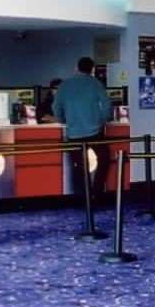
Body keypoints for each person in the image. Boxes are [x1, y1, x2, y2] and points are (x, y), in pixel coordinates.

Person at [52, 57, 113, 207]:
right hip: (95, 132)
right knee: (104, 159)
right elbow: (106, 105)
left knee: (80, 166)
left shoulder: (65, 85)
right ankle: (97, 193)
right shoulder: (95, 83)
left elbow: (56, 107)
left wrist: (63, 120)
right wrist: (102, 119)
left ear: (76, 68)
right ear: (92, 69)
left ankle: (83, 199)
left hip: (74, 133)